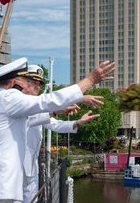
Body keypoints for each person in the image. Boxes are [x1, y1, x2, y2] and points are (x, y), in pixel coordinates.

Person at [0, 57, 115, 203]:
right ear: (13, 83)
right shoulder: (8, 97)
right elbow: (47, 101)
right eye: (26, 82)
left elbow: (29, 120)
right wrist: (90, 80)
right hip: (0, 188)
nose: (27, 87)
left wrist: (56, 112)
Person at [23, 65, 104, 202]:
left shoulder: (37, 105)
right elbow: (48, 104)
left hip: (31, 168)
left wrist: (78, 122)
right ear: (25, 83)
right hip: (18, 169)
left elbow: (55, 124)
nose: (38, 87)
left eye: (39, 84)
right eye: (34, 83)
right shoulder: (20, 103)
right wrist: (79, 98)